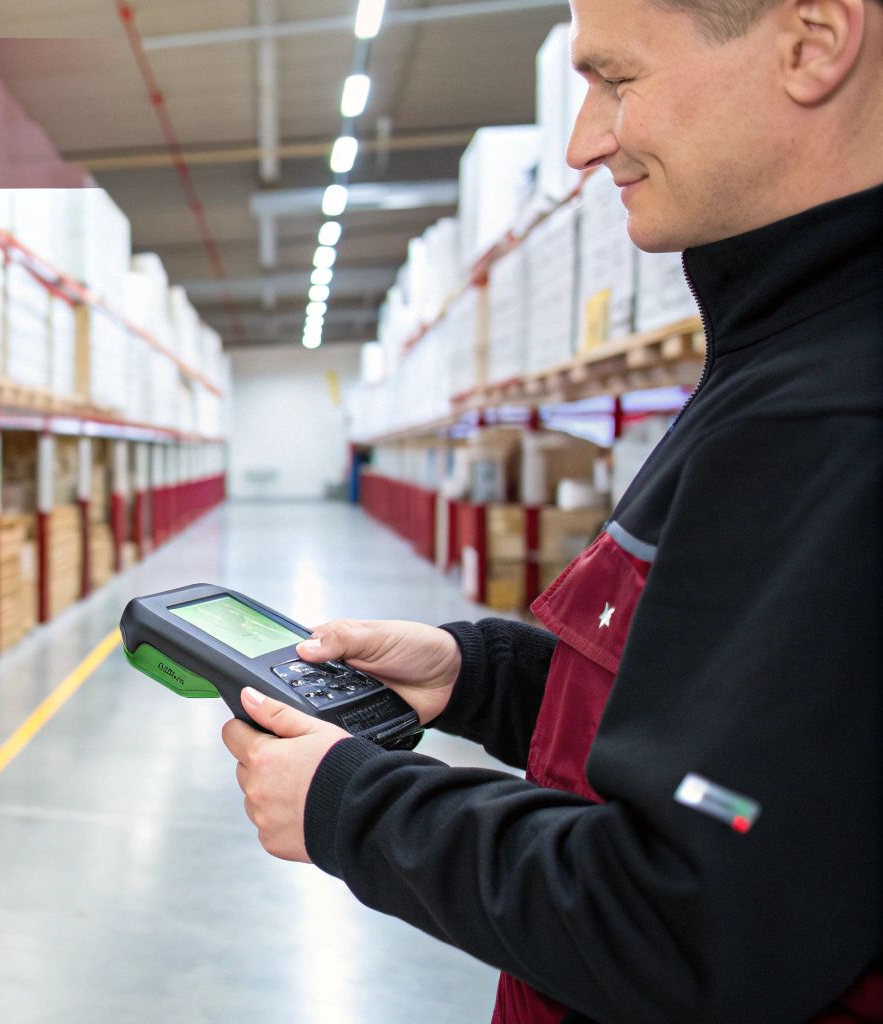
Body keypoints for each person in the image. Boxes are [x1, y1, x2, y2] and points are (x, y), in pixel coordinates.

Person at [223, 0, 883, 1018]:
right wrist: (480, 676)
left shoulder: (834, 413)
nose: (580, 144)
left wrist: (347, 805)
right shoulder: (777, 367)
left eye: (617, 81)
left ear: (811, 46)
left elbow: (688, 922)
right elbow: (735, 753)